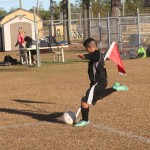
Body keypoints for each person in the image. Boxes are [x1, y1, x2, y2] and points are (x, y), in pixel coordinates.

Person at [74, 38, 128, 127]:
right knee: (98, 96)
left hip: (98, 83)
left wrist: (83, 55)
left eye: (86, 49)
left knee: (84, 100)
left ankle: (85, 120)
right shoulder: (97, 54)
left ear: (90, 47)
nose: (86, 51)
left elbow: (89, 56)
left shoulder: (97, 54)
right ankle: (114, 88)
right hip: (101, 82)